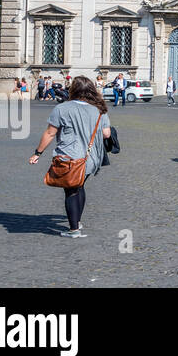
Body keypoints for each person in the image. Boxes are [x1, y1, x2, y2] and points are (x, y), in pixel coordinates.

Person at [28, 75, 112, 238]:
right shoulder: (99, 109)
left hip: (70, 157)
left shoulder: (62, 108)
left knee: (71, 191)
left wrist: (38, 153)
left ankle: (74, 229)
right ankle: (77, 221)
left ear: (73, 90)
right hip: (91, 158)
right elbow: (106, 134)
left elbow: (50, 133)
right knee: (79, 186)